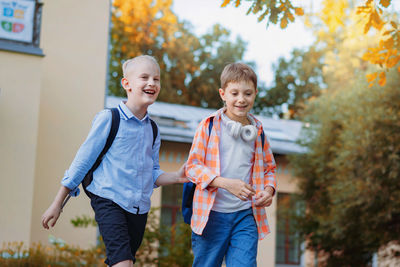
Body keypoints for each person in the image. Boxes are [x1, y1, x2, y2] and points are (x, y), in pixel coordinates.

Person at [41, 55, 188, 267]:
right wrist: (57, 204)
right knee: (123, 263)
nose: (151, 83)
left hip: (138, 209)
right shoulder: (109, 119)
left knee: (120, 262)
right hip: (109, 199)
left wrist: (176, 176)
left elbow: (152, 173)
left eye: (156, 79)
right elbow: (81, 163)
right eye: (144, 77)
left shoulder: (153, 130)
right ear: (126, 84)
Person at [185, 62, 277, 267]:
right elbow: (192, 167)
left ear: (255, 94)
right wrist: (225, 183)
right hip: (211, 216)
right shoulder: (208, 126)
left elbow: (269, 169)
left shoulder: (258, 131)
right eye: (234, 93)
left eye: (247, 93)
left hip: (245, 215)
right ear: (222, 94)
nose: (241, 99)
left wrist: (269, 191)